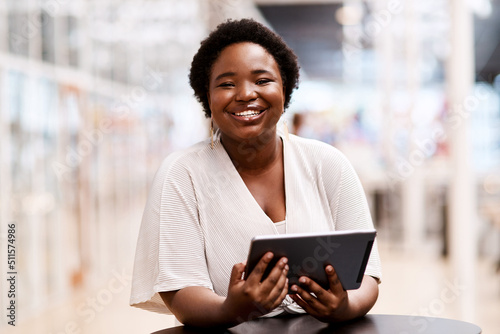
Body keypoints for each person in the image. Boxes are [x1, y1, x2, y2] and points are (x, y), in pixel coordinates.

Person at [130, 18, 381, 328]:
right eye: (226, 83)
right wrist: (230, 310)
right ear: (206, 96)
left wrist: (344, 306)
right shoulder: (182, 175)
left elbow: (367, 274)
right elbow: (179, 290)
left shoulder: (328, 164)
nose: (246, 94)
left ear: (285, 88)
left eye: (262, 80)